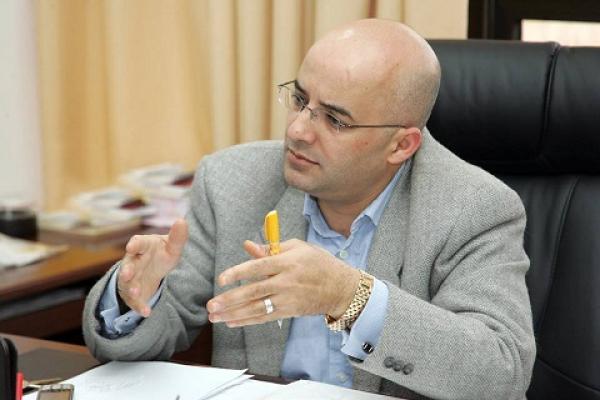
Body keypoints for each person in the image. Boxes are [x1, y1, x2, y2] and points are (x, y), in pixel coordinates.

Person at [82, 18, 536, 400]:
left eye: (334, 120)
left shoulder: (472, 208)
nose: (298, 130)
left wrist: (349, 297)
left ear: (401, 145)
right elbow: (157, 329)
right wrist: (132, 296)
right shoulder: (231, 181)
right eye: (300, 101)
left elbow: (501, 372)